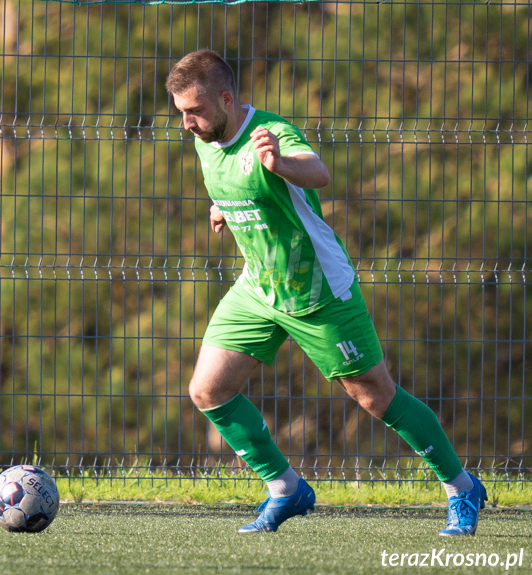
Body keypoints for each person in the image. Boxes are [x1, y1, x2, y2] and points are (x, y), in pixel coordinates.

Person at [165, 50, 485, 536]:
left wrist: (278, 162)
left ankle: (462, 488)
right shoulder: (206, 137)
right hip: (258, 288)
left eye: (195, 111)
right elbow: (235, 180)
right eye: (181, 112)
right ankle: (286, 489)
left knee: (376, 397)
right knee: (208, 390)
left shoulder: (267, 134)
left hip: (319, 292)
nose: (187, 123)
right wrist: (223, 206)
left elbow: (317, 172)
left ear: (226, 99)